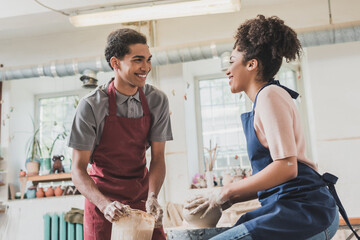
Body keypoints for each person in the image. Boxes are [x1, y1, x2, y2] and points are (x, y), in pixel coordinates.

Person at [186, 15, 359, 240]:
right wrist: (227, 199)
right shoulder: (267, 97)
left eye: (231, 60)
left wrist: (227, 191)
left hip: (306, 212)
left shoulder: (269, 95)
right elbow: (276, 175)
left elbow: (287, 167)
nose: (227, 70)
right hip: (292, 208)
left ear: (251, 64)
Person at [68, 28, 173, 240]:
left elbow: (158, 158)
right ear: (115, 63)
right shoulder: (91, 106)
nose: (146, 67)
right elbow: (78, 169)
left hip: (141, 200)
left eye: (148, 60)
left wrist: (152, 196)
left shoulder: (157, 101)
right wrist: (104, 205)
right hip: (103, 203)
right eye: (138, 60)